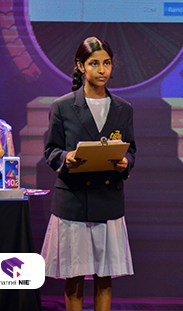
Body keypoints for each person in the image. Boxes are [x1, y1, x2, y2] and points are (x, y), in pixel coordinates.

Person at [41, 37, 136, 311]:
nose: (102, 69)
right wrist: (66, 158)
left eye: (107, 63)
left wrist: (125, 162)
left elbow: (131, 150)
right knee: (74, 278)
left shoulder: (123, 108)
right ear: (81, 66)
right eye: (94, 63)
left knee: (104, 278)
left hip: (107, 201)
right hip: (74, 202)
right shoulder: (62, 106)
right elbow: (51, 150)